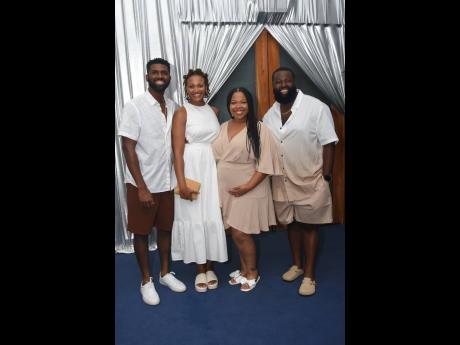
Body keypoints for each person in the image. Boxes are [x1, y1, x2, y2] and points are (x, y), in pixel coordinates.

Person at [262, 67, 338, 296]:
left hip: (310, 179)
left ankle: (309, 275)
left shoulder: (316, 108)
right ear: (273, 85)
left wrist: (325, 176)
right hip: (282, 181)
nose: (282, 84)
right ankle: (297, 265)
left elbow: (329, 143)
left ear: (293, 82)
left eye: (286, 80)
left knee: (309, 226)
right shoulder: (270, 114)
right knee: (291, 223)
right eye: (278, 81)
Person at [118, 58, 186, 306]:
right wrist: (142, 187)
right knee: (142, 232)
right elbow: (128, 147)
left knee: (166, 229)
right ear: (147, 77)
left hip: (166, 183)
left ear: (169, 77)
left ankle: (165, 272)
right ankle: (146, 281)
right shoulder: (134, 106)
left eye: (164, 72)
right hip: (142, 184)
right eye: (155, 73)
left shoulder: (173, 105)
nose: (160, 76)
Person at [212, 87, 282, 292]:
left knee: (242, 233)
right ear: (229, 106)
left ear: (249, 105)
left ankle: (252, 272)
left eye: (243, 102)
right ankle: (243, 271)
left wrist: (247, 187)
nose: (238, 106)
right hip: (227, 189)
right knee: (235, 231)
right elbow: (213, 154)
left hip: (251, 188)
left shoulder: (259, 129)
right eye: (234, 102)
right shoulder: (223, 126)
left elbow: (266, 165)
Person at [171, 68, 228, 292]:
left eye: (200, 85)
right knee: (194, 216)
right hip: (191, 167)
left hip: (210, 168)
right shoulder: (182, 113)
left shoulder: (214, 110)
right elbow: (176, 152)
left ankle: (210, 267)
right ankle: (199, 270)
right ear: (186, 89)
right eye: (192, 86)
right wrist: (182, 182)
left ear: (206, 87)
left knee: (211, 214)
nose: (196, 89)